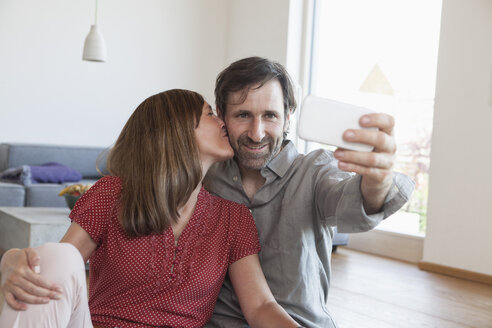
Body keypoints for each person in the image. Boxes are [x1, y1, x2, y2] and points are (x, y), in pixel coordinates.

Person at [0, 89, 301, 327]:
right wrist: (12, 262)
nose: (224, 121)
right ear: (177, 130)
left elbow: (261, 306)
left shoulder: (234, 218)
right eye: (210, 113)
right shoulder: (113, 194)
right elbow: (58, 267)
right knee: (56, 254)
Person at [202, 57, 415, 328]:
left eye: (270, 115)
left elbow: (356, 203)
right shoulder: (208, 176)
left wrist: (376, 181)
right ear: (221, 115)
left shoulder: (315, 170)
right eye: (243, 115)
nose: (257, 134)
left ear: (289, 114)